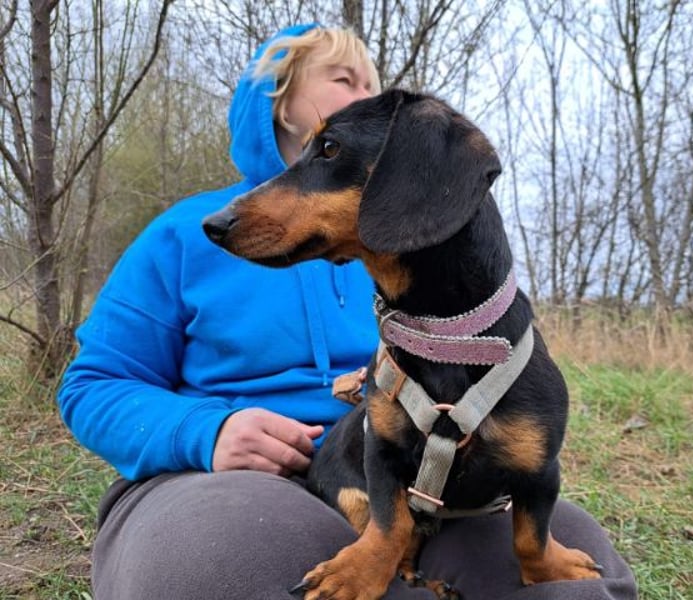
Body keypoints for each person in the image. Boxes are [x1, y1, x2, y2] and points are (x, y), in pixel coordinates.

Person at [58, 23, 637, 600]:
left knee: (579, 580)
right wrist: (206, 431)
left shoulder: (418, 255)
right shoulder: (184, 233)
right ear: (281, 102)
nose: (367, 95)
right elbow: (92, 385)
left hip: (414, 478)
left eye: (373, 83)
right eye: (343, 77)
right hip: (232, 477)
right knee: (226, 565)